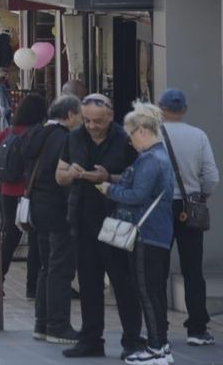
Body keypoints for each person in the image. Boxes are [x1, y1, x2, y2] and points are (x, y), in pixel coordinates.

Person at [55, 93, 144, 358]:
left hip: (117, 218)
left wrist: (109, 177)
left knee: (123, 281)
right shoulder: (73, 138)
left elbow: (140, 179)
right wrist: (70, 174)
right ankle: (91, 338)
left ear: (110, 117)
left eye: (98, 122)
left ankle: (132, 339)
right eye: (87, 121)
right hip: (83, 219)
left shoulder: (125, 139)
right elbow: (58, 174)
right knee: (89, 282)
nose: (92, 126)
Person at [105, 102, 176, 365]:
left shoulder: (150, 160)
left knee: (146, 291)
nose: (131, 142)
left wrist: (109, 190)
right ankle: (161, 345)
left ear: (143, 131)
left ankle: (156, 347)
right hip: (157, 232)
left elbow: (136, 195)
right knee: (154, 291)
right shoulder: (160, 157)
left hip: (147, 232)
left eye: (131, 135)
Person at [156, 88, 218, 347]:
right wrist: (202, 195)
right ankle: (197, 328)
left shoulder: (152, 134)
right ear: (184, 109)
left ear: (159, 108)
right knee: (193, 269)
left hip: (159, 206)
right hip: (190, 204)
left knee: (156, 268)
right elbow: (211, 176)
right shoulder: (198, 135)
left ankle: (158, 326)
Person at [0, 94, 46, 298]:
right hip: (29, 191)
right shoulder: (38, 135)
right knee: (35, 237)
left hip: (8, 192)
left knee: (10, 237)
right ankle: (32, 286)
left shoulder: (9, 132)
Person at [30, 94, 83, 345]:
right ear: (70, 115)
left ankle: (42, 323)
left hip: (37, 207)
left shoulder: (36, 133)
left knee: (45, 267)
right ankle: (58, 326)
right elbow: (63, 177)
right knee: (60, 269)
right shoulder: (65, 138)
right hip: (58, 210)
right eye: (80, 115)